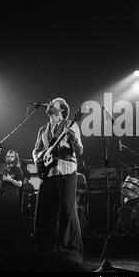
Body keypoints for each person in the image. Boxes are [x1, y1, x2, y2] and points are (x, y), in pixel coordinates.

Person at [32, 97, 84, 264]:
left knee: (68, 212)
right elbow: (36, 149)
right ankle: (44, 250)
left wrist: (73, 139)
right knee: (43, 212)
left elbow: (80, 150)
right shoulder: (42, 129)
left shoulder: (71, 124)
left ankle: (69, 251)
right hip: (48, 174)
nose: (49, 103)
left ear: (61, 110)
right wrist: (38, 158)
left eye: (54, 102)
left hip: (67, 172)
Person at [0, 150, 23, 252]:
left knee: (11, 224)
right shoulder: (5, 169)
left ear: (15, 158)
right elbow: (3, 182)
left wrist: (11, 180)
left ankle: (11, 247)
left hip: (12, 200)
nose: (9, 158)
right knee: (2, 223)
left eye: (12, 156)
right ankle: (2, 246)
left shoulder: (17, 169)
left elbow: (20, 184)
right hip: (3, 199)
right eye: (8, 156)